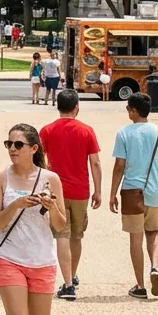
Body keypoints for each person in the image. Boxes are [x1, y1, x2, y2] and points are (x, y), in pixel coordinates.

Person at [0, 124, 66, 315]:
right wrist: (15, 205)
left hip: (43, 261)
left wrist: (52, 207)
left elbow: (60, 226)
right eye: (9, 144)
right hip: (9, 258)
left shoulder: (51, 178)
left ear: (33, 148)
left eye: (18, 144)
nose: (12, 149)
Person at [37, 89, 99, 300]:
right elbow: (95, 163)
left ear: (57, 106)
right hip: (80, 190)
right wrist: (98, 190)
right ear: (76, 108)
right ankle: (72, 274)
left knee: (61, 235)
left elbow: (38, 160)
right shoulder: (87, 131)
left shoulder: (46, 130)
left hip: (57, 190)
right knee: (76, 236)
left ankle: (67, 283)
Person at [108, 92, 158, 299]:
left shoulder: (124, 134)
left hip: (132, 192)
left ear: (134, 111)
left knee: (136, 238)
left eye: (128, 108)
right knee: (153, 233)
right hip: (155, 192)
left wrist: (112, 193)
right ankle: (154, 267)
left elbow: (119, 166)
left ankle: (140, 285)